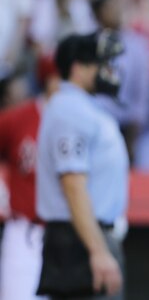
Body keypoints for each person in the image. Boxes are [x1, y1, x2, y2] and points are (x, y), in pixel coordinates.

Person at [36, 30, 128, 299]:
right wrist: (98, 252)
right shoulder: (69, 110)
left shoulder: (81, 107)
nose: (108, 71)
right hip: (79, 242)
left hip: (87, 237)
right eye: (100, 64)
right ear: (78, 67)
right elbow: (73, 185)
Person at [0, 58, 59, 300]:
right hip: (26, 233)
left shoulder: (85, 120)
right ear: (50, 80)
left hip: (69, 233)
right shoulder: (19, 118)